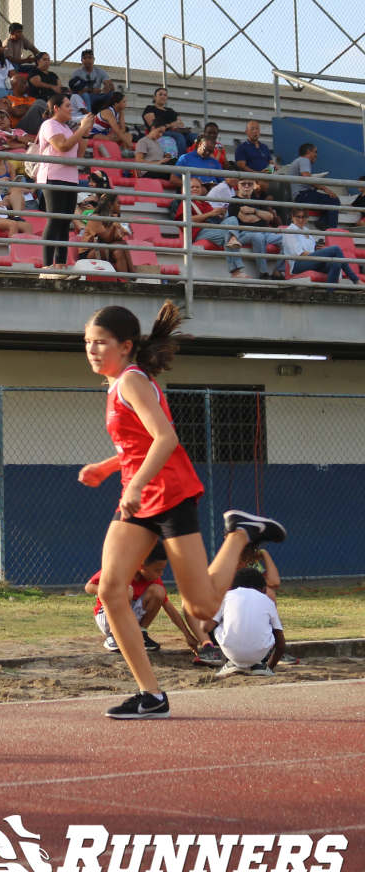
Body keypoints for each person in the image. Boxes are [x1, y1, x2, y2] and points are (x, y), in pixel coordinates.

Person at [77, 301, 286, 718]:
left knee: (202, 608)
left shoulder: (132, 381)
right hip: (139, 498)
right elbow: (138, 446)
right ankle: (151, 695)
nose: (92, 350)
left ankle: (240, 533)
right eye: (87, 342)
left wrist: (137, 484)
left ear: (126, 346)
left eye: (101, 342)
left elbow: (166, 439)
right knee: (111, 590)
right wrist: (107, 467)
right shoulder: (119, 384)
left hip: (170, 495)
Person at [34, 94, 93, 270]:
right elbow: (62, 147)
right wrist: (82, 128)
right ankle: (47, 265)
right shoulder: (49, 124)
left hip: (70, 177)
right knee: (55, 219)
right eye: (67, 105)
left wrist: (85, 133)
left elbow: (79, 154)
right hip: (53, 176)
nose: (71, 109)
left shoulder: (66, 128)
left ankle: (60, 264)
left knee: (65, 222)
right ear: (56, 108)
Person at [84, 548, 173, 654]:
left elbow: (168, 606)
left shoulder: (153, 577)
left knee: (159, 591)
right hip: (108, 615)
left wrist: (187, 635)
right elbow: (88, 587)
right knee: (127, 590)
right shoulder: (119, 568)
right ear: (141, 566)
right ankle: (113, 636)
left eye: (162, 570)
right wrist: (111, 592)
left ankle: (141, 634)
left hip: (129, 617)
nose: (161, 573)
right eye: (157, 570)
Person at [212, 567, 286, 678]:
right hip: (259, 655)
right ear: (264, 589)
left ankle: (231, 663)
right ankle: (259, 666)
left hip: (231, 652)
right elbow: (281, 644)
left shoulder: (226, 597)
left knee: (219, 623)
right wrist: (269, 668)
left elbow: (208, 626)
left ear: (232, 587)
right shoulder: (268, 601)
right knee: (271, 626)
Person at [280, 207, 361, 284]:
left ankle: (330, 292)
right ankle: (355, 280)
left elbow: (312, 250)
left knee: (336, 263)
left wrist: (319, 250)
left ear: (307, 218)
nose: (301, 220)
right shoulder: (289, 231)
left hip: (312, 261)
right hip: (298, 264)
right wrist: (323, 253)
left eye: (304, 217)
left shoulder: (306, 231)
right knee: (336, 249)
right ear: (292, 217)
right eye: (298, 217)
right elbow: (300, 254)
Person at [223, 177, 283, 279]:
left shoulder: (258, 200)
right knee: (258, 236)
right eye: (243, 184)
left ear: (254, 186)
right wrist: (261, 215)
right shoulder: (234, 201)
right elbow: (246, 219)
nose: (246, 186)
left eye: (249, 184)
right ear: (238, 186)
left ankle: (278, 271)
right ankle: (263, 273)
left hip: (265, 232)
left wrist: (254, 211)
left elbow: (270, 217)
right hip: (244, 234)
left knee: (286, 239)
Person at [76, 192, 133, 274]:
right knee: (120, 245)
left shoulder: (112, 217)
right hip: (88, 253)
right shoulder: (96, 218)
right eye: (118, 203)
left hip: (103, 248)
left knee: (119, 250)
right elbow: (107, 238)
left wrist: (122, 230)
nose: (119, 206)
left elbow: (117, 238)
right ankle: (132, 273)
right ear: (110, 204)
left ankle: (125, 279)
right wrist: (115, 225)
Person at [287, 143, 340, 229]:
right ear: (308, 151)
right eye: (315, 152)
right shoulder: (304, 160)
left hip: (301, 195)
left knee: (328, 202)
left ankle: (323, 223)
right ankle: (332, 230)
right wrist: (326, 189)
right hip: (303, 195)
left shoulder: (298, 161)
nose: (316, 155)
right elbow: (307, 177)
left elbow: (305, 179)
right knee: (334, 200)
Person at [141, 87, 190, 154]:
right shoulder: (150, 108)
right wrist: (171, 125)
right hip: (161, 133)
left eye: (165, 95)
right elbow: (154, 125)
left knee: (194, 136)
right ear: (155, 97)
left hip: (175, 131)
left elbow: (181, 124)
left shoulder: (170, 110)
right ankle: (181, 159)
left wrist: (170, 125)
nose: (163, 97)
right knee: (179, 137)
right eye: (160, 94)